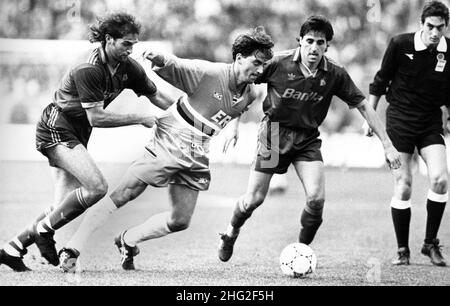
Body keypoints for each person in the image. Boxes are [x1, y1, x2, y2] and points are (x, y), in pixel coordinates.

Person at [55, 27, 275, 271]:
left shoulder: (252, 92)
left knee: (180, 220)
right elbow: (179, 65)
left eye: (264, 66)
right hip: (170, 139)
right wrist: (158, 57)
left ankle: (128, 240)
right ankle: (73, 247)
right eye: (256, 63)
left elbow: (237, 108)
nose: (260, 70)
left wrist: (234, 126)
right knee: (124, 193)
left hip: (198, 151)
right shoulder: (210, 73)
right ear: (239, 58)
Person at [217, 15, 401, 262]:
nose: (314, 47)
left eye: (320, 42)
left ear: (327, 46)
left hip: (307, 139)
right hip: (273, 134)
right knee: (253, 200)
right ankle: (230, 234)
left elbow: (364, 106)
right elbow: (242, 82)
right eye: (310, 41)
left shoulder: (335, 73)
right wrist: (234, 122)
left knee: (316, 199)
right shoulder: (277, 63)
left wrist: (387, 145)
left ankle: (300, 252)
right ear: (300, 41)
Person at [0, 12, 174, 272]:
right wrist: (139, 117)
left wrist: (186, 115)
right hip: (56, 127)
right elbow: (96, 117)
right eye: (126, 43)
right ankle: (42, 231)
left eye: (134, 44)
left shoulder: (129, 67)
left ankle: (12, 249)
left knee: (63, 205)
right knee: (96, 187)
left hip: (77, 131)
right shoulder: (89, 66)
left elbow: (157, 96)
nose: (131, 49)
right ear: (108, 39)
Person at [367, 0, 449, 266]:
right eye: (430, 26)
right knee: (404, 185)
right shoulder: (401, 44)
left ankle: (429, 243)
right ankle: (403, 250)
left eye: (440, 27)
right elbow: (380, 81)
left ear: (446, 27)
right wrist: (371, 117)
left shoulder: (449, 52)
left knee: (440, 179)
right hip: (400, 120)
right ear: (421, 25)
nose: (435, 32)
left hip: (429, 121)